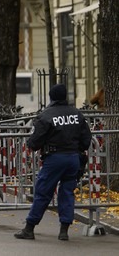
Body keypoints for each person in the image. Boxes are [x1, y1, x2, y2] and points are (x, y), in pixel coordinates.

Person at [15, 84, 92, 241]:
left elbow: (35, 141)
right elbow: (86, 140)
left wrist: (32, 145)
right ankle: (64, 230)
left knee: (43, 192)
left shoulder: (46, 115)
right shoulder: (77, 114)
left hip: (54, 159)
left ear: (51, 97)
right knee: (67, 192)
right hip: (73, 159)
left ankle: (29, 228)